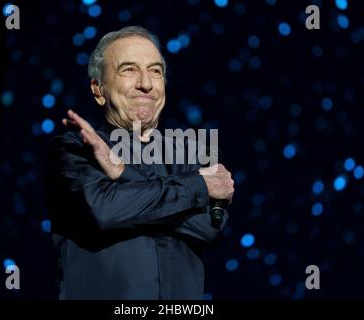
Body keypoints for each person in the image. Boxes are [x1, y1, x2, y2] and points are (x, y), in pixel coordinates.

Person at [46, 26, 234, 300]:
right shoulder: (74, 148)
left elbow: (208, 228)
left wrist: (123, 174)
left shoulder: (191, 154)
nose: (146, 83)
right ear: (99, 90)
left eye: (155, 71)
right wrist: (196, 187)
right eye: (129, 70)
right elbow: (103, 210)